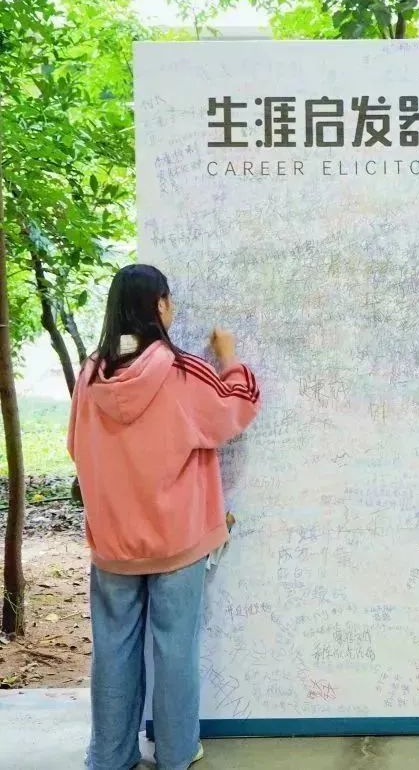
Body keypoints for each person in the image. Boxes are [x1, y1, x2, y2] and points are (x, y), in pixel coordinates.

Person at [68, 264, 261, 770]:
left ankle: (110, 755)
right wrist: (229, 357)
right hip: (178, 539)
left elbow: (74, 446)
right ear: (160, 305)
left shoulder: (90, 375)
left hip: (113, 541)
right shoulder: (181, 371)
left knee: (113, 649)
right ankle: (176, 753)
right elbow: (235, 410)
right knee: (175, 648)